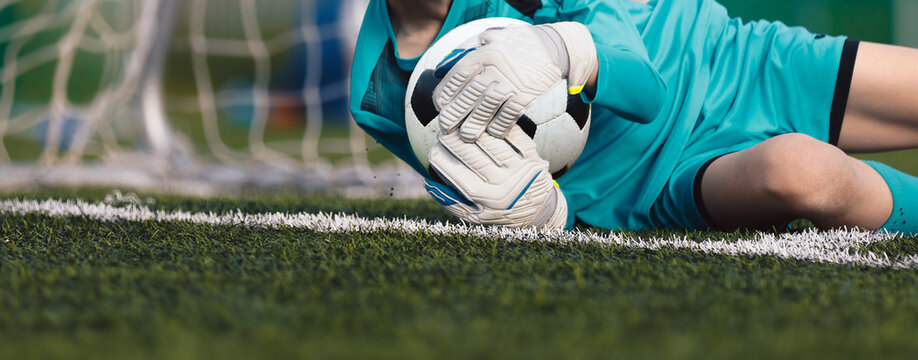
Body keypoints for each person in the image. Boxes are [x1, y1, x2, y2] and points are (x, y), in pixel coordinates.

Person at [349, 0, 918, 234]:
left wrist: (566, 49)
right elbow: (477, 180)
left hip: (733, 62)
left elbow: (643, 89)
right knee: (801, 176)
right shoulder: (375, 93)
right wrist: (546, 215)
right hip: (655, 183)